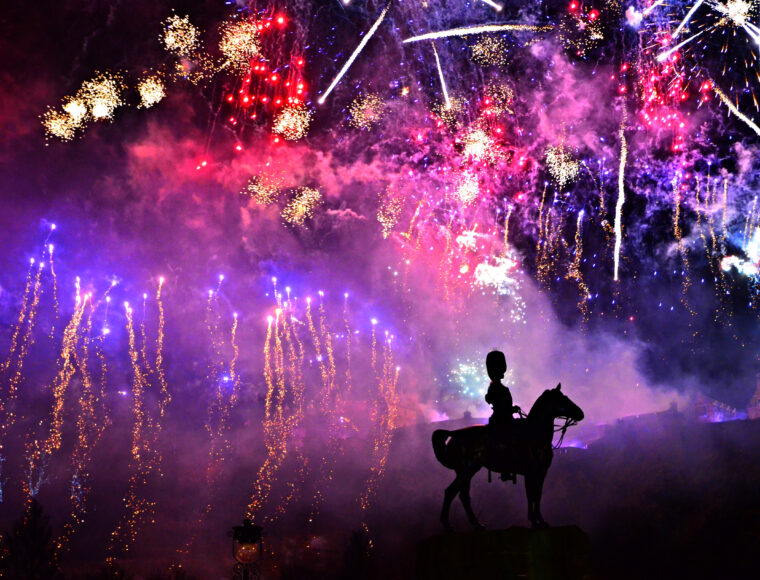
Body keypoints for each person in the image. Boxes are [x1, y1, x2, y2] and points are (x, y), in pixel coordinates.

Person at [484, 350, 521, 482]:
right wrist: (512, 410)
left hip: (504, 419)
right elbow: (501, 408)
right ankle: (506, 470)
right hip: (501, 421)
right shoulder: (496, 387)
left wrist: (512, 409)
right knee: (510, 441)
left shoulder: (496, 386)